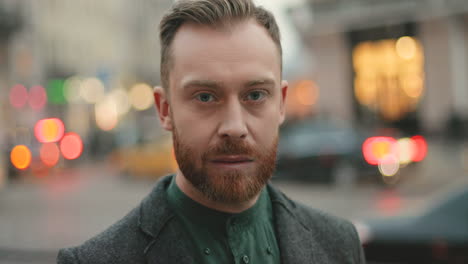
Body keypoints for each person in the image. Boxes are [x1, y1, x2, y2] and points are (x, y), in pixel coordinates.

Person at [57, 0, 366, 263]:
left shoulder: (340, 245)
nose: (234, 127)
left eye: (255, 95)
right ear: (165, 109)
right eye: (205, 97)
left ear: (282, 104)